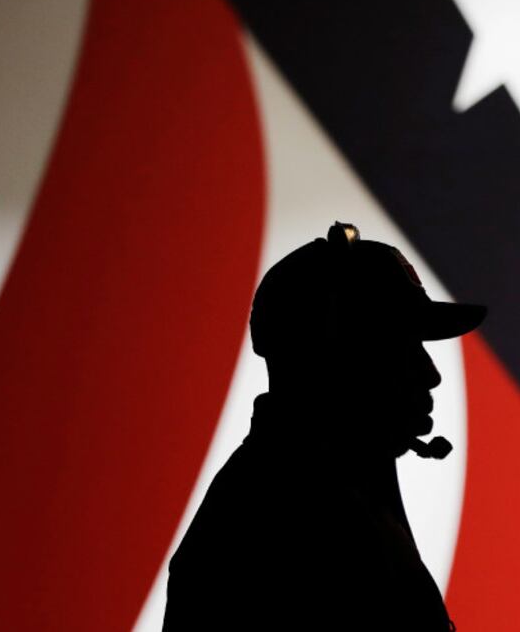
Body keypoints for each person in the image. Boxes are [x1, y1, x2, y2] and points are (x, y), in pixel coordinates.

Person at [163, 222, 484, 629]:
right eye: (397, 347)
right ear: (331, 358)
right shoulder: (285, 528)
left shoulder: (338, 496)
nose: (430, 373)